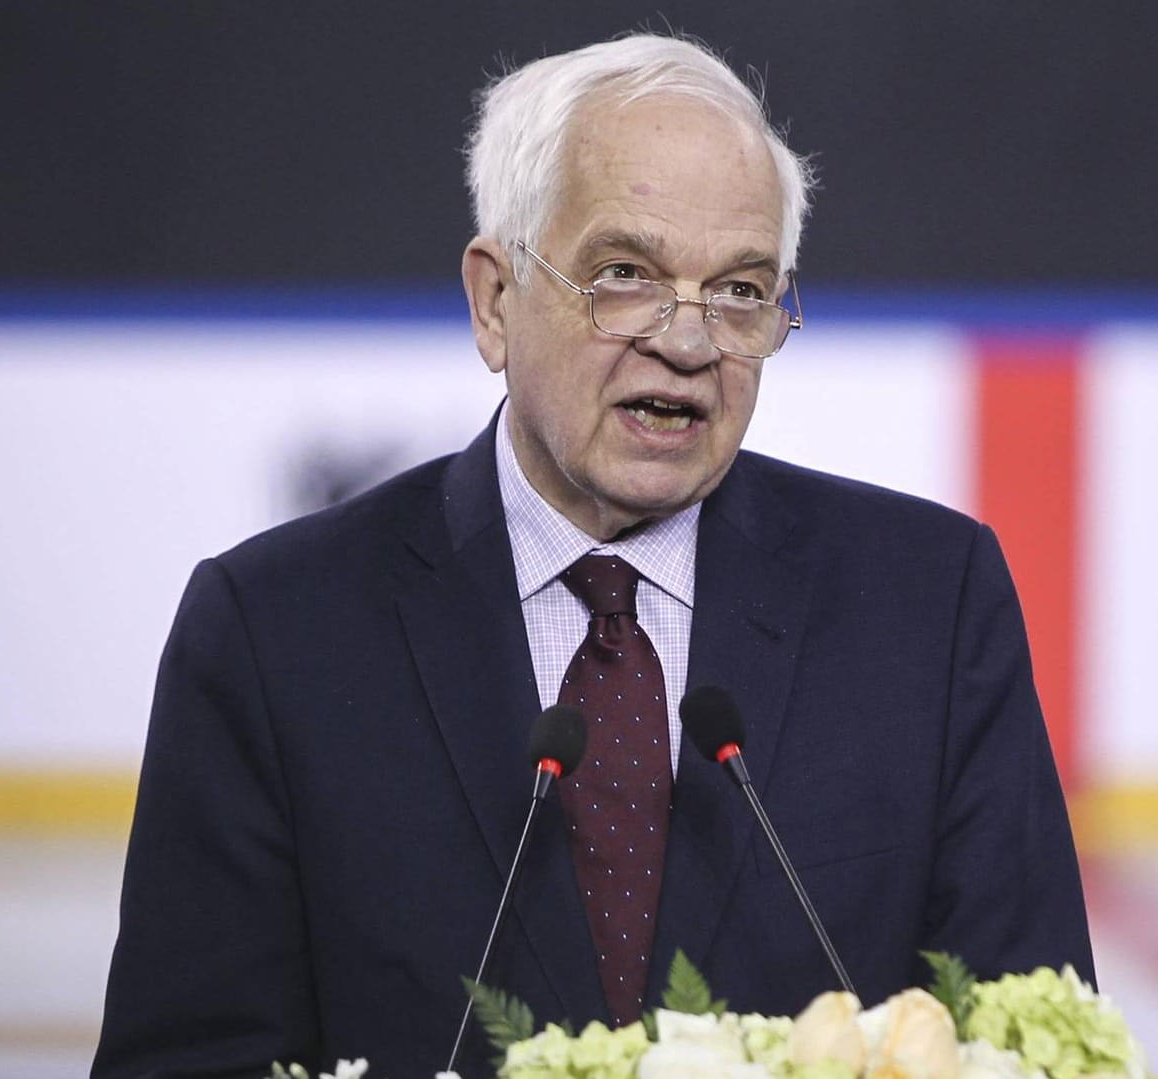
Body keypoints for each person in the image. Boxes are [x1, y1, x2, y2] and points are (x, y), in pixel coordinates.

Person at [93, 32, 1092, 1079]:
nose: (691, 342)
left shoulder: (927, 608)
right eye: (626, 274)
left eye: (742, 290)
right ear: (495, 301)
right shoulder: (273, 633)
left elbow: (1037, 1042)